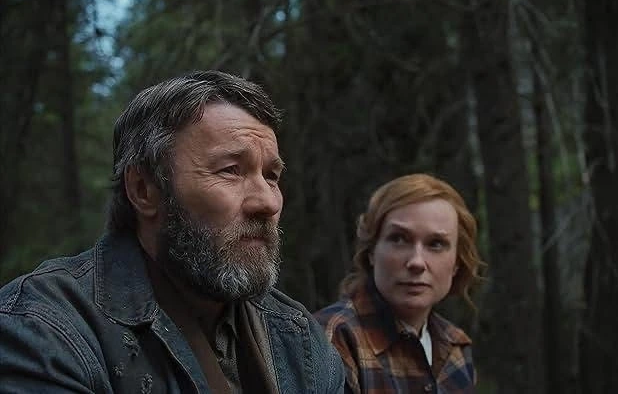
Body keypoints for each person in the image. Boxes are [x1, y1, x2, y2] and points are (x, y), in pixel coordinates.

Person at [0, 70, 344, 393]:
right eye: (230, 170)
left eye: (271, 176)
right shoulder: (47, 328)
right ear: (144, 190)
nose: (267, 202)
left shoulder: (298, 339)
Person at [314, 174, 483, 393]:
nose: (417, 262)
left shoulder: (455, 347)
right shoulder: (332, 337)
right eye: (399, 239)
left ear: (457, 263)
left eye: (436, 244)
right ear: (372, 251)